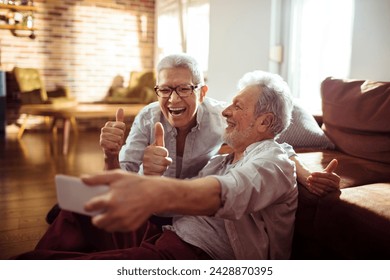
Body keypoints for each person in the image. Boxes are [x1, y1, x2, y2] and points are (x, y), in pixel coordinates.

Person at [15, 70, 298, 260]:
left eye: (237, 106)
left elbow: (234, 192)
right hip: (165, 236)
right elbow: (172, 206)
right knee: (78, 207)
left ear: (264, 122)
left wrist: (155, 191)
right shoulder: (220, 161)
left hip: (193, 256)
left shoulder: (274, 161)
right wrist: (149, 179)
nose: (225, 111)